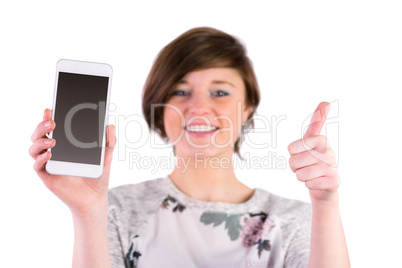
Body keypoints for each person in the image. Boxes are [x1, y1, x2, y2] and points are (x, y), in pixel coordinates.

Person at [29, 27, 350, 268]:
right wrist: (87, 212)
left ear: (248, 107)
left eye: (220, 93)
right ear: (159, 106)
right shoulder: (114, 211)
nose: (198, 107)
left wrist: (325, 205)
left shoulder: (295, 220)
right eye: (180, 91)